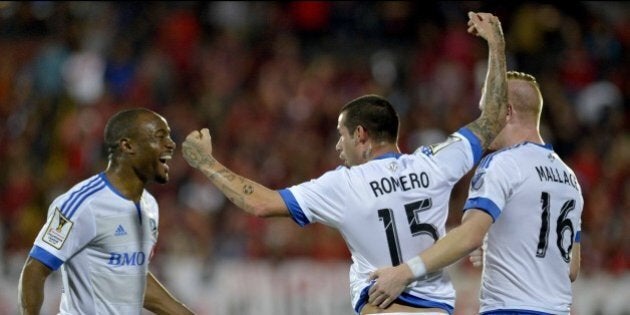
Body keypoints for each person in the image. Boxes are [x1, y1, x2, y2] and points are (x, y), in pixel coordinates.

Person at [181, 11, 507, 315]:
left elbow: (260, 203)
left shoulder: (344, 184)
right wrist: (495, 44)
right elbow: (492, 119)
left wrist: (206, 163)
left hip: (385, 306)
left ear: (361, 135)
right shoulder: (434, 163)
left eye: (342, 135)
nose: (339, 145)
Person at [367, 71, 583, 315]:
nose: (484, 121)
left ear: (507, 112)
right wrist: (503, 248)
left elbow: (470, 236)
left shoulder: (503, 163)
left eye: (489, 111)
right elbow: (570, 268)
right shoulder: (568, 177)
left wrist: (404, 273)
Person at [18, 108, 195, 315]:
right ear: (128, 145)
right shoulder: (81, 204)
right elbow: (35, 269)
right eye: (159, 136)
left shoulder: (149, 207)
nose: (171, 144)